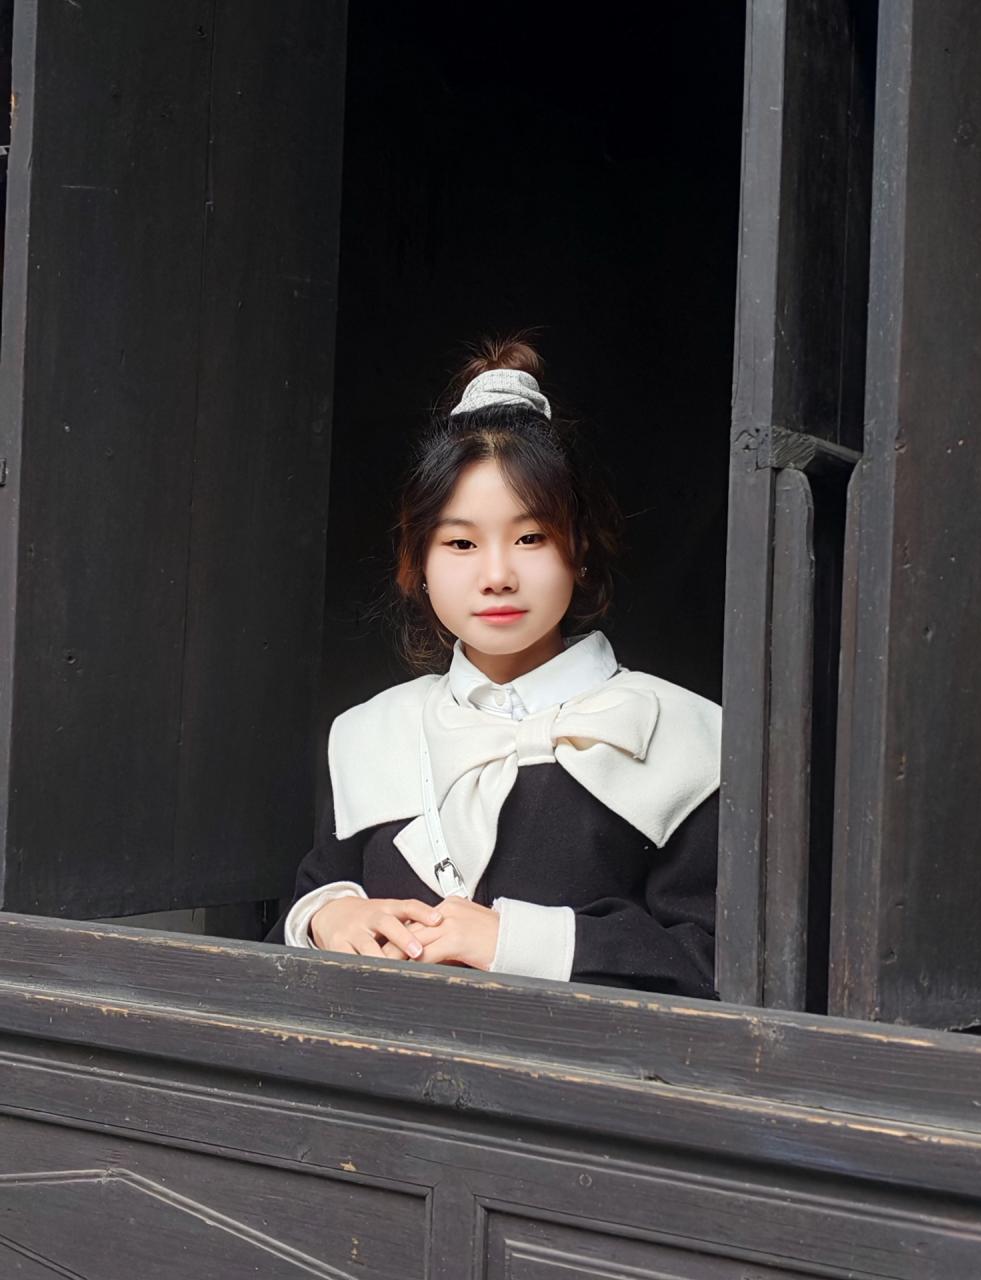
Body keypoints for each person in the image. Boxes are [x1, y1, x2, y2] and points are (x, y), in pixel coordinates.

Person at [265, 335, 721, 997]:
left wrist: (511, 942)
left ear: (581, 550)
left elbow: (720, 969)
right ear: (418, 561)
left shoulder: (687, 737)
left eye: (531, 537)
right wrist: (330, 916)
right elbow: (316, 890)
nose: (497, 574)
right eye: (461, 543)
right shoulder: (373, 733)